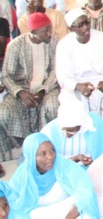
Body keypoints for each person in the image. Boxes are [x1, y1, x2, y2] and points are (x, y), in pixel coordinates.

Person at [0, 13, 60, 164]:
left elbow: (56, 72)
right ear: (33, 32)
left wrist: (42, 91)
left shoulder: (54, 42)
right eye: (45, 31)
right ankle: (25, 147)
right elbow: (6, 76)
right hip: (21, 89)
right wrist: (20, 92)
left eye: (50, 29)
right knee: (4, 113)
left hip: (47, 88)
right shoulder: (16, 45)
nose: (49, 33)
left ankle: (51, 146)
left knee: (53, 106)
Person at [40, 97, 103, 168]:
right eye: (63, 130)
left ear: (81, 124)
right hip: (60, 170)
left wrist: (94, 162)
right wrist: (75, 159)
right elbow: (44, 162)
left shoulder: (96, 124)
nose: (67, 135)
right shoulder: (51, 129)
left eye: (71, 131)